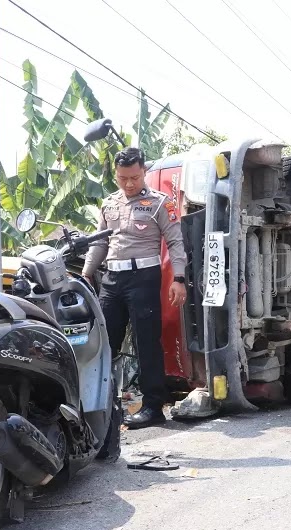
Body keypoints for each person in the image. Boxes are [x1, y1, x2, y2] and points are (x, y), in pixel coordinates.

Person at [82, 147, 188, 429]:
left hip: (144, 278)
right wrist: (85, 274)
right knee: (104, 343)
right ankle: (102, 404)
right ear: (115, 175)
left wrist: (179, 278)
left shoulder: (159, 203)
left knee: (146, 343)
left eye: (135, 177)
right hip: (112, 282)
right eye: (122, 178)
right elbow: (100, 243)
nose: (129, 183)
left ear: (144, 173)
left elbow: (176, 242)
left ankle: (153, 407)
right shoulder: (109, 204)